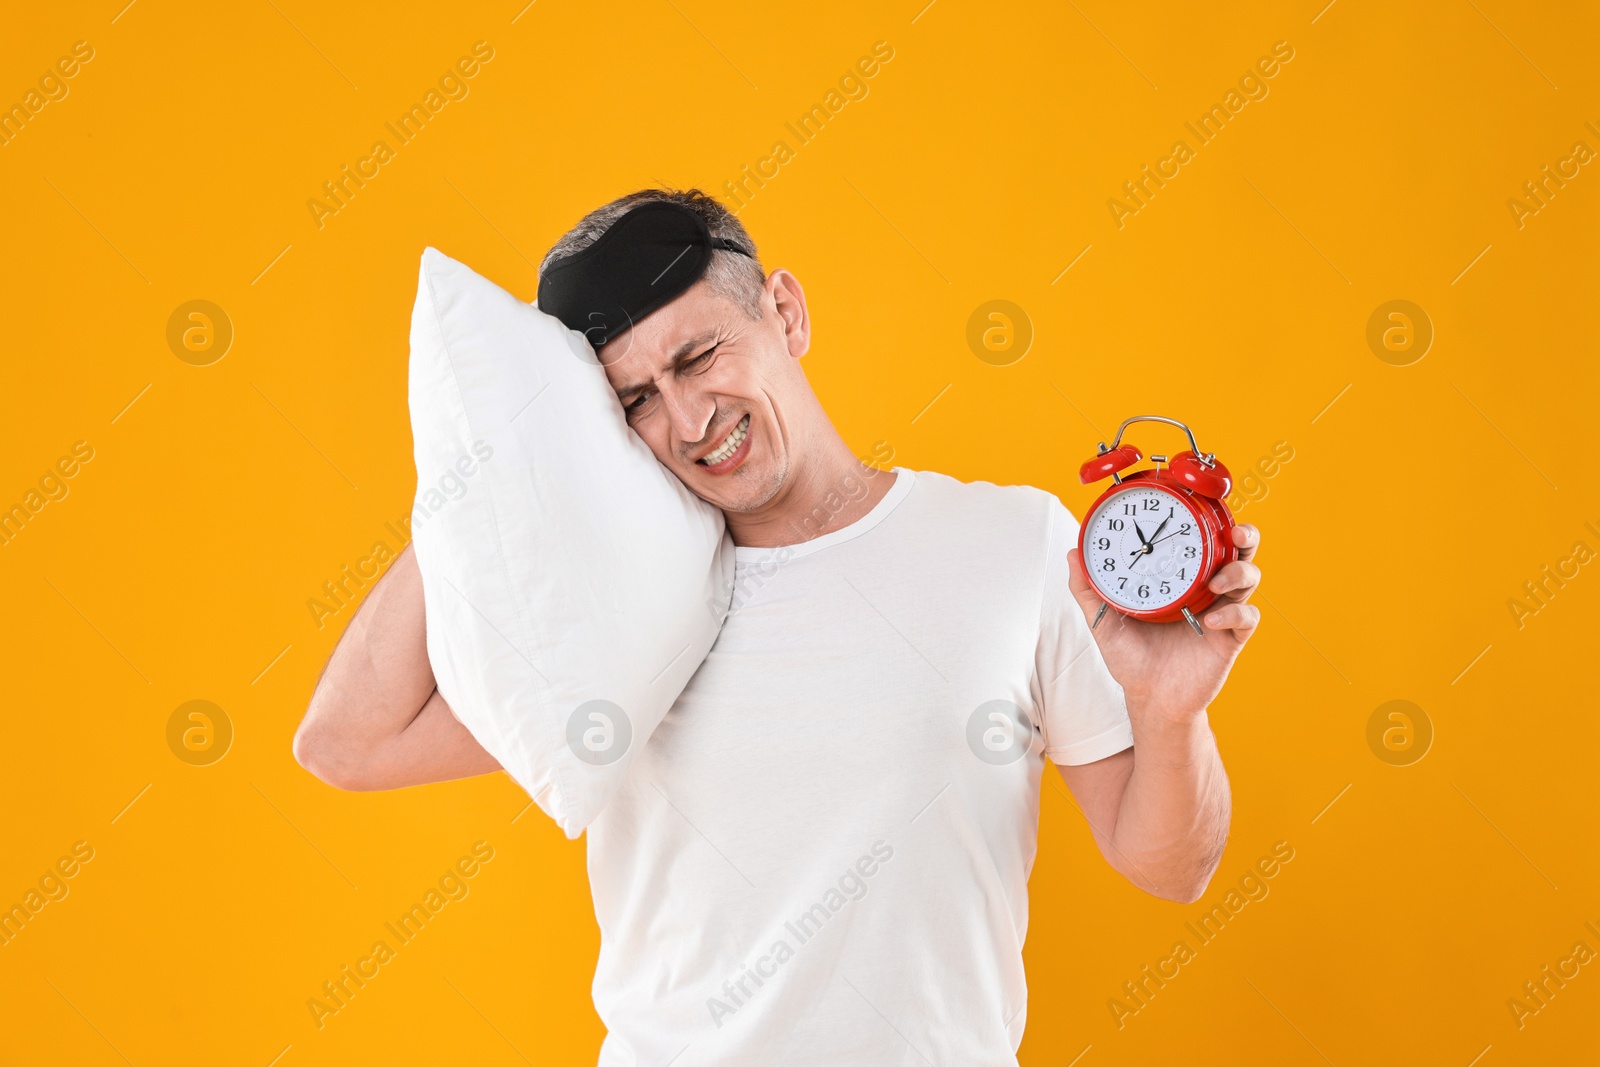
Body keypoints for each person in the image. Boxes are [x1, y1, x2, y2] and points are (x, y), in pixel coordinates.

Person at [293, 188, 1263, 1065]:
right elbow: (344, 740)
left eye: (698, 353)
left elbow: (1170, 865)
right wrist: (496, 466)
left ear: (785, 312)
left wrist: (1168, 713)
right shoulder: (617, 611)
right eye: (633, 398)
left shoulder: (1015, 542)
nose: (685, 415)